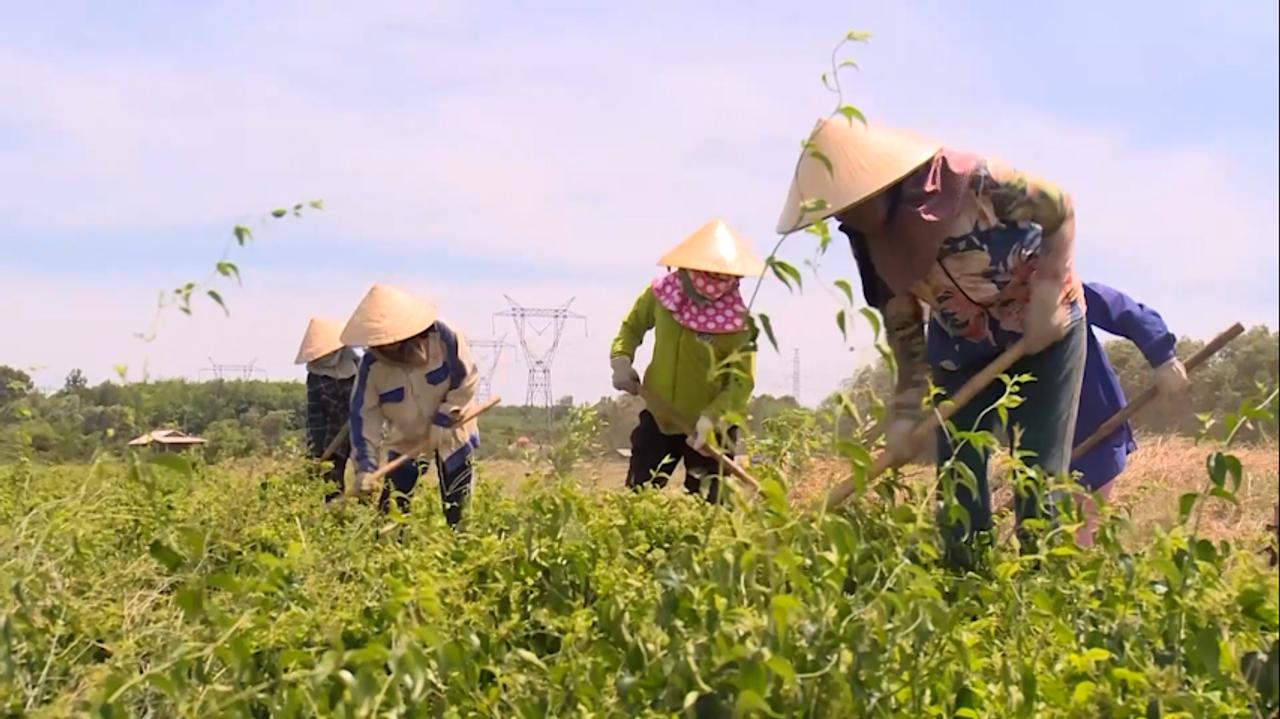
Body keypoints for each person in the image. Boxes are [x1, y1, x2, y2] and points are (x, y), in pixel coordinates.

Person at [777, 117, 1085, 565]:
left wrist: (1049, 287)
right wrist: (906, 410)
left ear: (877, 184)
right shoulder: (869, 240)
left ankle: (1047, 582)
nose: (841, 220)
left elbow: (1061, 208)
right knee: (959, 479)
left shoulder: (977, 181)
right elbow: (903, 323)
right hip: (962, 347)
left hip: (1044, 331)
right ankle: (965, 582)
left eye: (846, 206)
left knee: (1037, 475)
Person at [610, 218, 763, 504]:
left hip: (709, 432)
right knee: (637, 498)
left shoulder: (739, 323)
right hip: (660, 415)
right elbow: (631, 327)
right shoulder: (661, 295)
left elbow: (740, 382)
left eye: (723, 274)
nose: (714, 280)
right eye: (708, 271)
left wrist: (711, 419)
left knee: (709, 509)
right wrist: (621, 359)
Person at [341, 284, 480, 526]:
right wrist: (366, 467)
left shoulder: (443, 337)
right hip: (407, 442)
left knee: (458, 510)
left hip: (453, 433)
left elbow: (466, 380)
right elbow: (364, 419)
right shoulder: (371, 368)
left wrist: (446, 417)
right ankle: (390, 546)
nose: (388, 346)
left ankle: (459, 543)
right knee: (391, 513)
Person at [1068, 282, 1188, 546]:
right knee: (1036, 526)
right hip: (1036, 437)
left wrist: (1162, 356)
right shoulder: (987, 307)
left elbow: (1122, 309)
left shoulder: (1061, 288)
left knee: (1079, 526)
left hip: (1094, 427)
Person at [294, 317, 360, 500]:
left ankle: (366, 512)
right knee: (331, 480)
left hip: (363, 431)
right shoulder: (315, 376)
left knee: (366, 480)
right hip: (332, 432)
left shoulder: (359, 368)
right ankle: (334, 511)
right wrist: (316, 453)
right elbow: (315, 415)